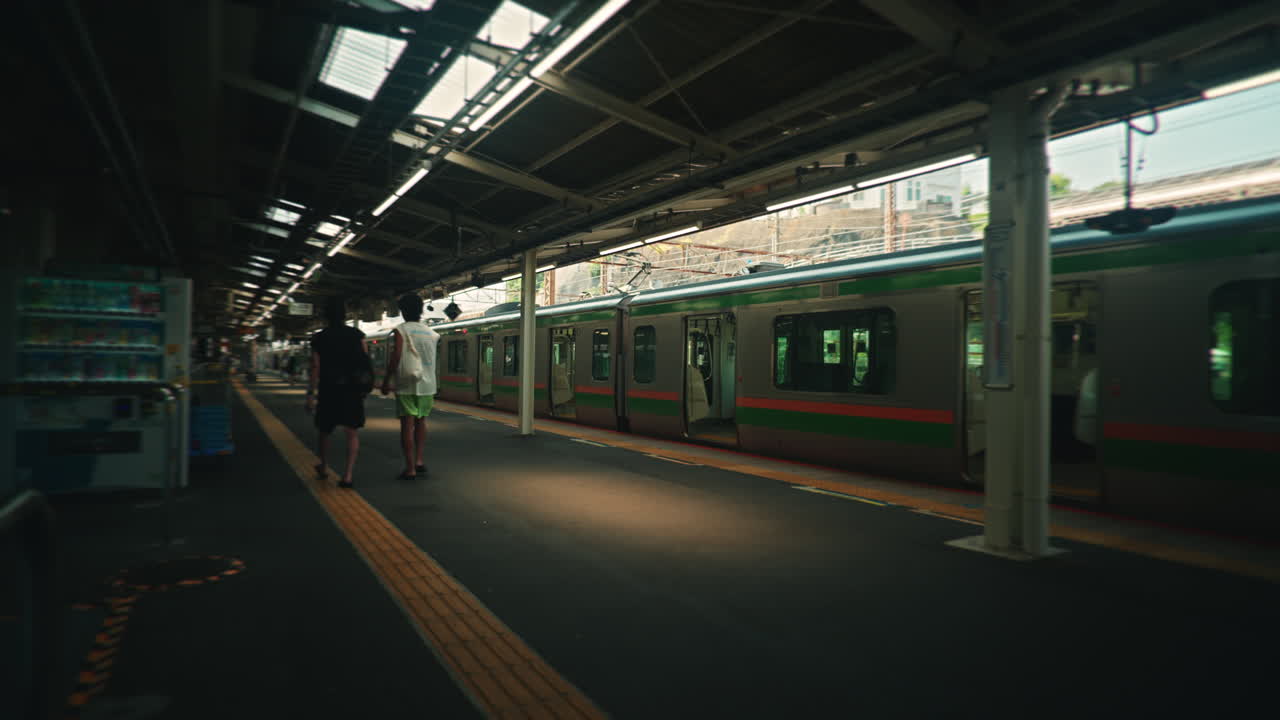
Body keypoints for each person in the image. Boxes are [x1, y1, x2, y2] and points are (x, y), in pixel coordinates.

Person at [306, 297, 369, 489]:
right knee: (352, 432)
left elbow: (315, 366)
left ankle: (324, 466)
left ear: (325, 316)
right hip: (351, 390)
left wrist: (310, 393)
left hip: (329, 390)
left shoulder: (319, 338)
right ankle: (348, 475)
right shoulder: (358, 335)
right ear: (344, 315)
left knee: (324, 431)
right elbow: (365, 362)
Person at [381, 293, 439, 480]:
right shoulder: (431, 333)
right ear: (421, 310)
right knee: (421, 422)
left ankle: (410, 468)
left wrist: (386, 380)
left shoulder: (401, 330)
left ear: (403, 311)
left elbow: (396, 356)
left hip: (407, 384)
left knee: (407, 425)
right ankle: (419, 460)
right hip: (428, 384)